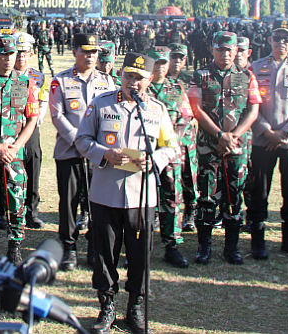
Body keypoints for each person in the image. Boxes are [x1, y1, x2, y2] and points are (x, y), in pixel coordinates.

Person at [75, 52, 178, 334]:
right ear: (121, 76)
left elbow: (171, 146)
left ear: (150, 79)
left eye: (139, 78)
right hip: (105, 193)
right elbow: (82, 140)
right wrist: (103, 153)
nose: (133, 82)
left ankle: (135, 306)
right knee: (105, 255)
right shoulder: (101, 104)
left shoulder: (156, 110)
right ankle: (107, 306)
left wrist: (153, 160)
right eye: (129, 76)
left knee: (139, 254)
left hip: (141, 196)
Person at [188, 31, 261, 265]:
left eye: (230, 50)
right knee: (207, 196)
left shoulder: (247, 76)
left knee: (234, 196)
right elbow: (196, 109)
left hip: (236, 148)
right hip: (209, 146)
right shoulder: (200, 76)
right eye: (221, 49)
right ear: (212, 49)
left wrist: (234, 136)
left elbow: (253, 110)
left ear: (236, 51)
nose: (226, 54)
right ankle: (204, 247)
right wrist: (219, 134)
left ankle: (231, 247)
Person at [248, 19, 288, 260]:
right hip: (262, 140)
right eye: (277, 38)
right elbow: (251, 103)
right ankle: (257, 241)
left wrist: (284, 132)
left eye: (286, 39)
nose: (281, 43)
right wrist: (267, 131)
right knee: (259, 190)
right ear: (269, 40)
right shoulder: (255, 67)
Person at [50, 33, 116, 270]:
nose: (89, 56)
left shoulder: (107, 82)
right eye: (85, 51)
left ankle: (94, 245)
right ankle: (68, 247)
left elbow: (112, 115)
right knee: (69, 202)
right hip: (69, 152)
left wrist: (94, 148)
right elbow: (57, 115)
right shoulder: (61, 80)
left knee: (97, 202)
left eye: (94, 52)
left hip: (98, 155)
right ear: (74, 51)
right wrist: (80, 142)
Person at [0, 35, 39, 264]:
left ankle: (14, 246)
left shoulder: (26, 83)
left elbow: (31, 119)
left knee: (16, 200)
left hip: (15, 155)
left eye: (11, 54)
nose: (8, 59)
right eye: (2, 54)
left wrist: (16, 146)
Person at [147, 46, 193, 268]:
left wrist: (173, 146)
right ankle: (140, 245)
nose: (161, 67)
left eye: (164, 63)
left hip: (170, 154)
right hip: (145, 155)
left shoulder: (176, 88)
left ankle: (171, 245)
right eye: (156, 63)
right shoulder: (140, 88)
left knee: (172, 199)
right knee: (143, 201)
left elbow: (186, 118)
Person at [13, 31, 47, 229]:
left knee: (33, 163)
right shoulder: (6, 73)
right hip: (10, 125)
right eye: (17, 52)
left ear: (31, 53)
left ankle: (31, 212)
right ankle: (5, 211)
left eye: (24, 52)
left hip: (31, 125)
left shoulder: (38, 76)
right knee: (7, 167)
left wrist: (38, 118)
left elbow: (42, 99)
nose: (21, 57)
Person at [167, 43, 198, 231]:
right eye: (174, 57)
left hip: (188, 137)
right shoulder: (159, 79)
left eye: (181, 57)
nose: (177, 61)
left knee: (190, 176)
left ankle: (190, 212)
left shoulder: (191, 79)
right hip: (167, 138)